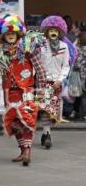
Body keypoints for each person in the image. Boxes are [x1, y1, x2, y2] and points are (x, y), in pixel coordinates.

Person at [0, 14, 46, 166]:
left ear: (18, 33)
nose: (11, 36)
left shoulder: (27, 47)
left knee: (26, 118)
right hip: (10, 92)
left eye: (13, 33)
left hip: (26, 89)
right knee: (14, 121)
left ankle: (27, 150)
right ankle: (22, 150)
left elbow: (40, 70)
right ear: (3, 35)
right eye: (8, 33)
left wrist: (41, 91)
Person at [38, 15, 70, 149]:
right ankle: (47, 134)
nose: (53, 32)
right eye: (50, 30)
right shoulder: (41, 46)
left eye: (55, 30)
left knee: (52, 111)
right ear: (46, 31)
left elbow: (66, 66)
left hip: (56, 83)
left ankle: (46, 134)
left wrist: (60, 79)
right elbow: (37, 63)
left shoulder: (64, 46)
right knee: (46, 109)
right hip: (43, 83)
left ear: (59, 32)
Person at [72, 31, 86, 120]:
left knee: (81, 95)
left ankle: (80, 113)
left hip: (82, 77)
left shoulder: (80, 50)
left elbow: (77, 65)